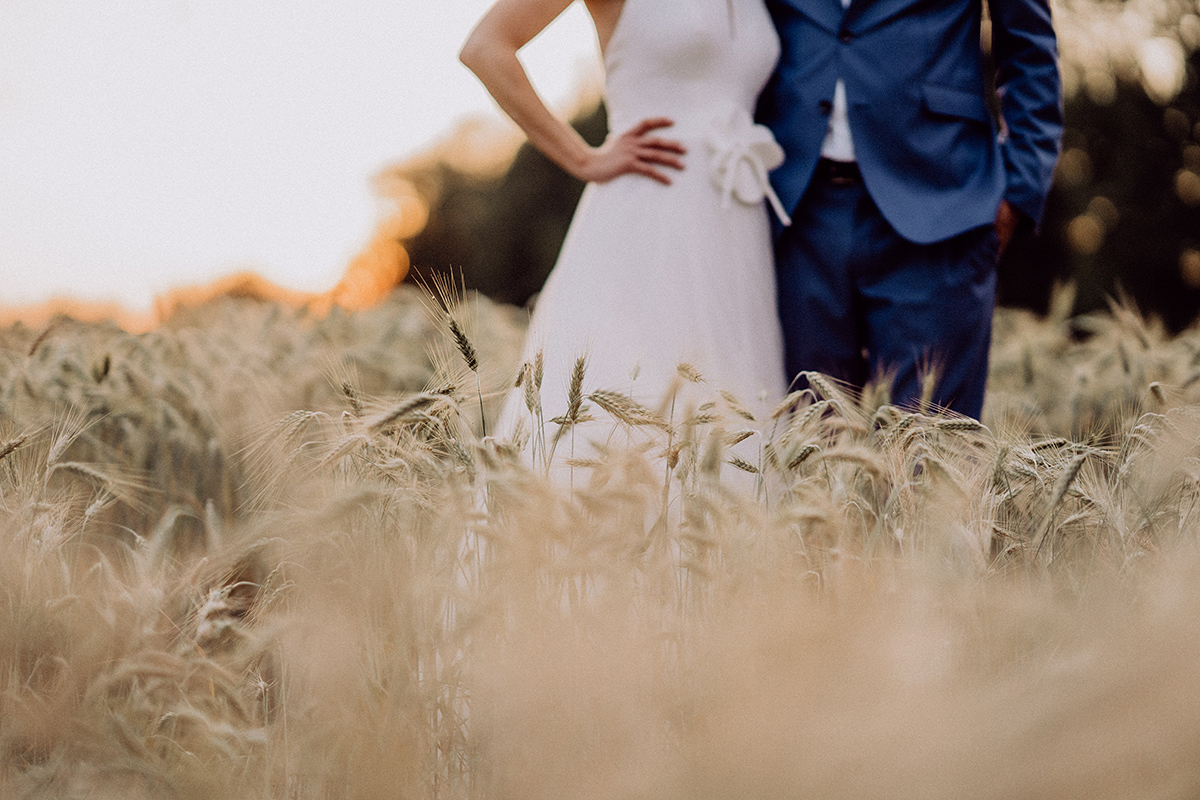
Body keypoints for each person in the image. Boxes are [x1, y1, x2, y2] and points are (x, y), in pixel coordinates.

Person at [461, 0, 789, 465]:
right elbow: (486, 47)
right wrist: (582, 158)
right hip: (646, 221)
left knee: (733, 407)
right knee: (627, 390)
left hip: (735, 229)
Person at [758, 0, 1063, 419]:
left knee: (926, 452)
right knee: (808, 449)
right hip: (795, 209)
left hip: (942, 204)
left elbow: (1030, 47)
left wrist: (1019, 190)